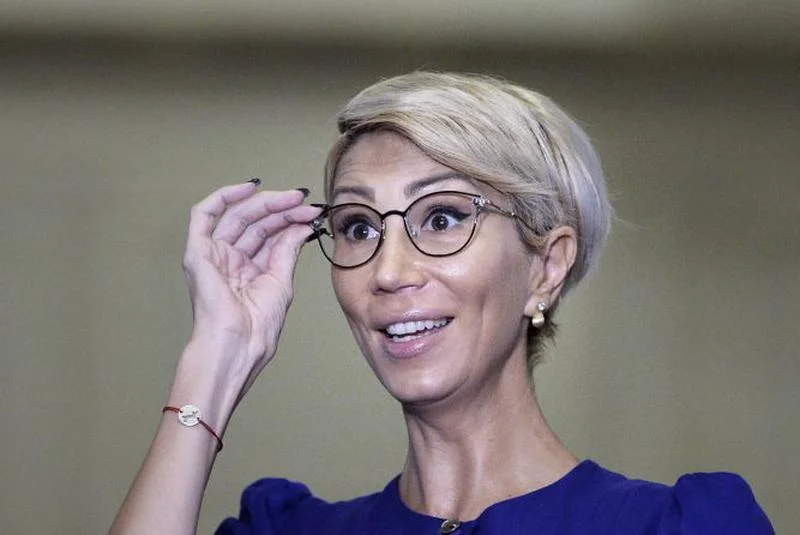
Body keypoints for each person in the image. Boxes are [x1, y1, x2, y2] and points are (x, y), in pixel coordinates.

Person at [110, 72, 773, 534]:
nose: (388, 272)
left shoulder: (676, 526)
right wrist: (217, 357)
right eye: (359, 227)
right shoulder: (290, 528)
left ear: (546, 265)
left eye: (443, 217)